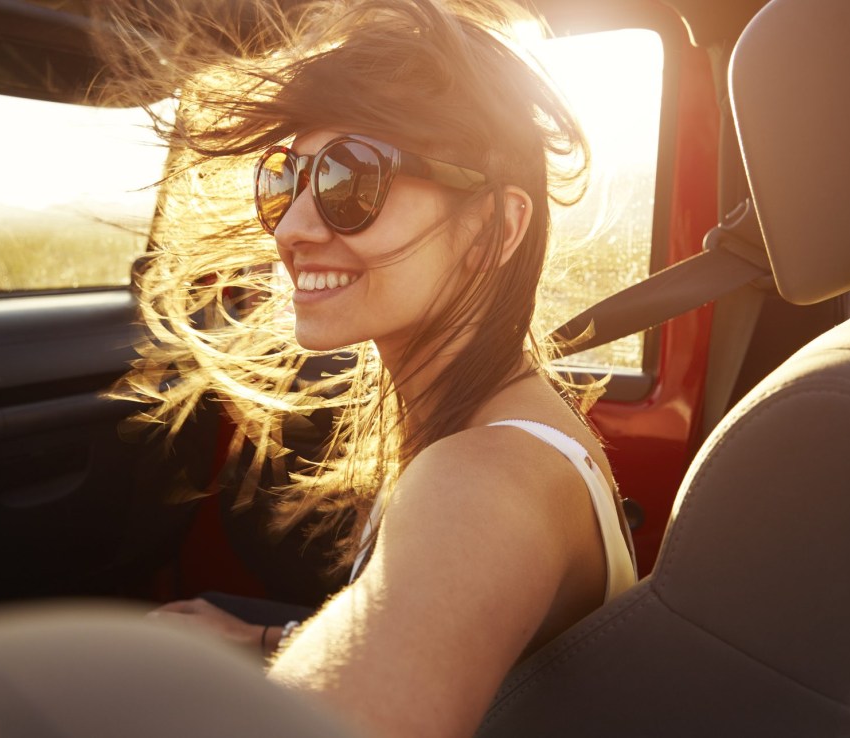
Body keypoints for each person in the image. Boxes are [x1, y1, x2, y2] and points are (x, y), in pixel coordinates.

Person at [99, 0, 638, 735]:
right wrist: (266, 640)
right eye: (286, 181)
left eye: (351, 181)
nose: (291, 228)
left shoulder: (483, 480)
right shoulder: (496, 426)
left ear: (496, 227)